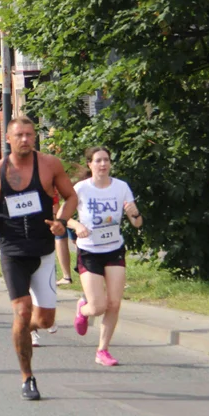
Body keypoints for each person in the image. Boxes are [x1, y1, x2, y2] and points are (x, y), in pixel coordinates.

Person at [0, 116, 78, 400]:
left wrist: (62, 222)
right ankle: (27, 377)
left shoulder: (50, 165)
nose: (25, 140)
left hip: (43, 252)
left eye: (30, 134)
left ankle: (22, 329)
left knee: (43, 320)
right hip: (13, 251)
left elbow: (71, 196)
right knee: (21, 310)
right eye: (19, 135)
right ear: (8, 138)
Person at [69, 147, 143, 366]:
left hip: (114, 249)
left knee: (114, 303)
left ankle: (103, 350)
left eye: (106, 160)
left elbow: (137, 223)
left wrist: (134, 213)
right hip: (89, 250)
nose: (103, 164)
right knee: (98, 306)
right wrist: (77, 225)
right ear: (90, 164)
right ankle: (83, 308)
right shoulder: (81, 188)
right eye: (98, 161)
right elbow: (62, 216)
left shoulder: (121, 187)